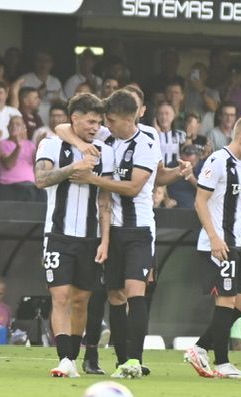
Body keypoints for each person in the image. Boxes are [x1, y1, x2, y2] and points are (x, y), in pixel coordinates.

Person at [76, 90, 160, 379]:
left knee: (136, 294)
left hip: (139, 231)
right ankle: (123, 361)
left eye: (110, 120)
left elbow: (133, 187)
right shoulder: (105, 138)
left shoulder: (146, 146)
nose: (105, 124)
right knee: (114, 296)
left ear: (128, 118)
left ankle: (134, 360)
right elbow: (64, 127)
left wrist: (93, 179)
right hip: (111, 230)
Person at [185, 114, 241, 379]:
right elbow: (200, 201)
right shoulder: (218, 161)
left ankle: (199, 347)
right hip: (218, 243)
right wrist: (214, 238)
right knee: (225, 301)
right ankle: (222, 363)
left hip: (237, 243)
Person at [35, 93, 109, 377]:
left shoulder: (104, 149)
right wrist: (71, 169)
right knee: (61, 296)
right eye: (90, 121)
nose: (94, 127)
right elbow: (40, 179)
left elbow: (104, 200)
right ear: (75, 118)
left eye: (98, 122)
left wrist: (105, 239)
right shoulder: (51, 144)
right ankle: (65, 358)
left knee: (81, 300)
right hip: (57, 235)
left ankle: (73, 357)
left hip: (90, 238)